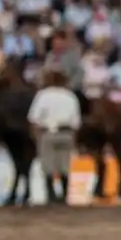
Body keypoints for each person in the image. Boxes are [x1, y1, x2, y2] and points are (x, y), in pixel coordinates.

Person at [27, 68, 82, 204]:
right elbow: (76, 121)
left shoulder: (43, 95)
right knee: (64, 165)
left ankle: (51, 196)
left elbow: (34, 118)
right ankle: (64, 196)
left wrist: (36, 136)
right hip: (66, 132)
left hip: (48, 132)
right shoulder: (70, 96)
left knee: (48, 166)